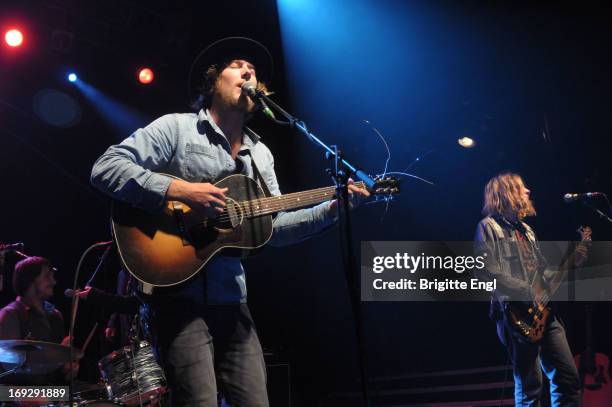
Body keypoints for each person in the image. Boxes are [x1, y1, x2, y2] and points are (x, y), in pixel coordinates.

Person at [90, 37, 369, 406]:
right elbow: (105, 167)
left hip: (232, 300)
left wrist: (331, 209)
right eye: (237, 65)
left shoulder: (261, 155)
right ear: (211, 81)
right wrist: (180, 190)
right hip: (176, 297)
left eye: (252, 69)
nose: (248, 71)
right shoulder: (176, 129)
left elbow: (273, 229)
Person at [474, 173, 587, 406]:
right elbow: (487, 271)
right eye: (521, 188)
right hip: (516, 312)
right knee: (530, 384)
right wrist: (528, 291)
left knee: (568, 378)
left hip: (546, 312)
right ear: (506, 193)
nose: (528, 191)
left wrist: (571, 263)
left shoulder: (527, 230)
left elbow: (540, 272)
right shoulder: (488, 227)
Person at [0, 256, 78, 385]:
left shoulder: (55, 316)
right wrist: (57, 356)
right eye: (47, 276)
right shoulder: (11, 314)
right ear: (30, 281)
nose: (54, 282)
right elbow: (8, 368)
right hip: (18, 395)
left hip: (52, 394)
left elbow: (58, 374)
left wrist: (67, 368)